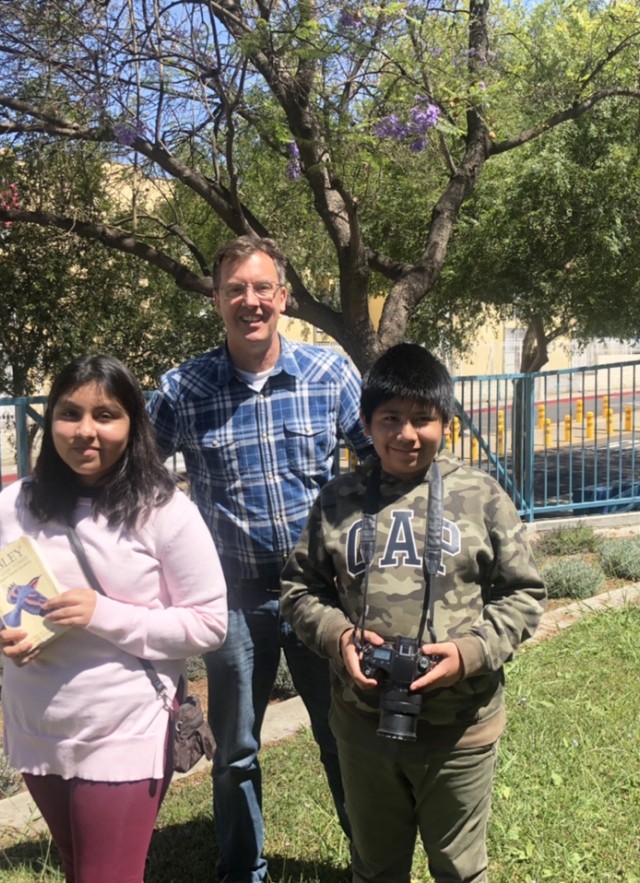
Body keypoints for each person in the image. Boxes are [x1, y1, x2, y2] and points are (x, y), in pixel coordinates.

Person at [147, 234, 372, 882]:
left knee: (341, 738)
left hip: (319, 597)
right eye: (235, 289)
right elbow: (132, 474)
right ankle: (242, 870)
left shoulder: (330, 375)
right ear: (216, 299)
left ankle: (371, 861)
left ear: (284, 296)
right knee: (236, 751)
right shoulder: (184, 388)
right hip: (232, 603)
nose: (250, 300)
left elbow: (380, 461)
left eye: (261, 287)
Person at [281, 342, 547, 883]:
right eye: (390, 419)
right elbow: (299, 590)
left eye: (422, 419)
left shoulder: (481, 496)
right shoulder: (338, 499)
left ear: (445, 421)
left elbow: (524, 593)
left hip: (461, 726)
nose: (406, 434)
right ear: (366, 422)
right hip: (362, 725)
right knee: (376, 867)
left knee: (458, 867)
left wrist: (470, 653)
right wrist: (339, 639)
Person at [0, 354, 227, 883]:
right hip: (39, 725)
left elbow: (209, 623)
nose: (85, 431)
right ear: (48, 419)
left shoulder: (164, 510)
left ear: (133, 424)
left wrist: (101, 613)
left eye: (105, 415)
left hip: (124, 728)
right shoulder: (15, 505)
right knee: (80, 868)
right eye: (69, 413)